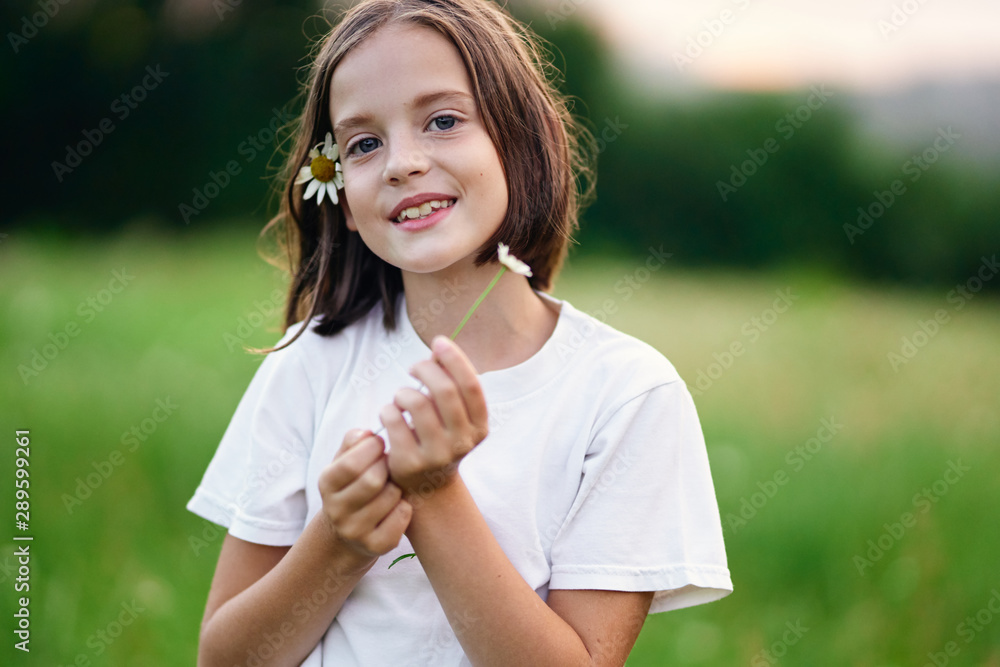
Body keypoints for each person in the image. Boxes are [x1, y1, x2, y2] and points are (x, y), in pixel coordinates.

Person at [186, 0, 732, 665]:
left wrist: (434, 491)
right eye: (363, 143)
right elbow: (225, 659)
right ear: (344, 201)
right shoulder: (310, 364)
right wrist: (338, 542)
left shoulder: (626, 395)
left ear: (519, 142)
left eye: (443, 120)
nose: (401, 163)